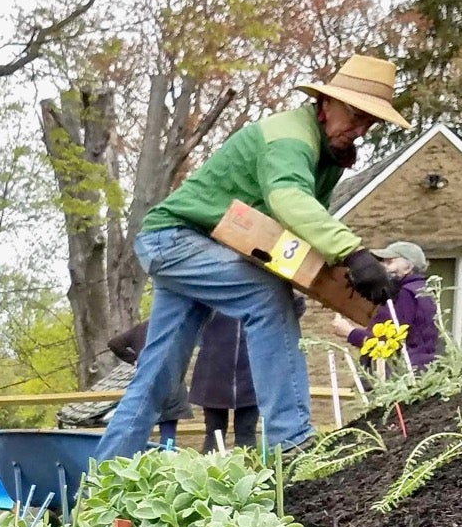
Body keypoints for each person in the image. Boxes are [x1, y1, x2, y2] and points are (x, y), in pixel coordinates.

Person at [93, 55, 410, 464]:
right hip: (173, 239)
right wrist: (353, 252)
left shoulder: (326, 155)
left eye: (370, 123)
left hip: (195, 247)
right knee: (266, 298)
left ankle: (102, 483)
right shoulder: (291, 139)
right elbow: (288, 200)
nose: (359, 129)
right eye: (355, 115)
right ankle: (293, 444)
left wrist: (352, 271)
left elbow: (299, 230)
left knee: (157, 374)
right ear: (326, 103)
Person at [347, 241, 441, 369]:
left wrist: (350, 332)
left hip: (404, 371)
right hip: (423, 368)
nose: (383, 267)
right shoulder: (424, 291)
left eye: (389, 262)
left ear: (408, 268)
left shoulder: (406, 295)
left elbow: (388, 343)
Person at [107, 321, 190, 447]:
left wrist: (135, 360)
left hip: (147, 384)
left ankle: (137, 459)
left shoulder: (141, 328)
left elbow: (115, 343)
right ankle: (167, 457)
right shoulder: (176, 326)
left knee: (140, 430)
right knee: (168, 431)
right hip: (172, 383)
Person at [191, 313, 257, 452]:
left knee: (246, 434)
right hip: (213, 373)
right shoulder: (210, 293)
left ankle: (248, 471)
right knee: (215, 433)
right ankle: (211, 472)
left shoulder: (260, 295)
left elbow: (295, 304)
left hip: (251, 376)